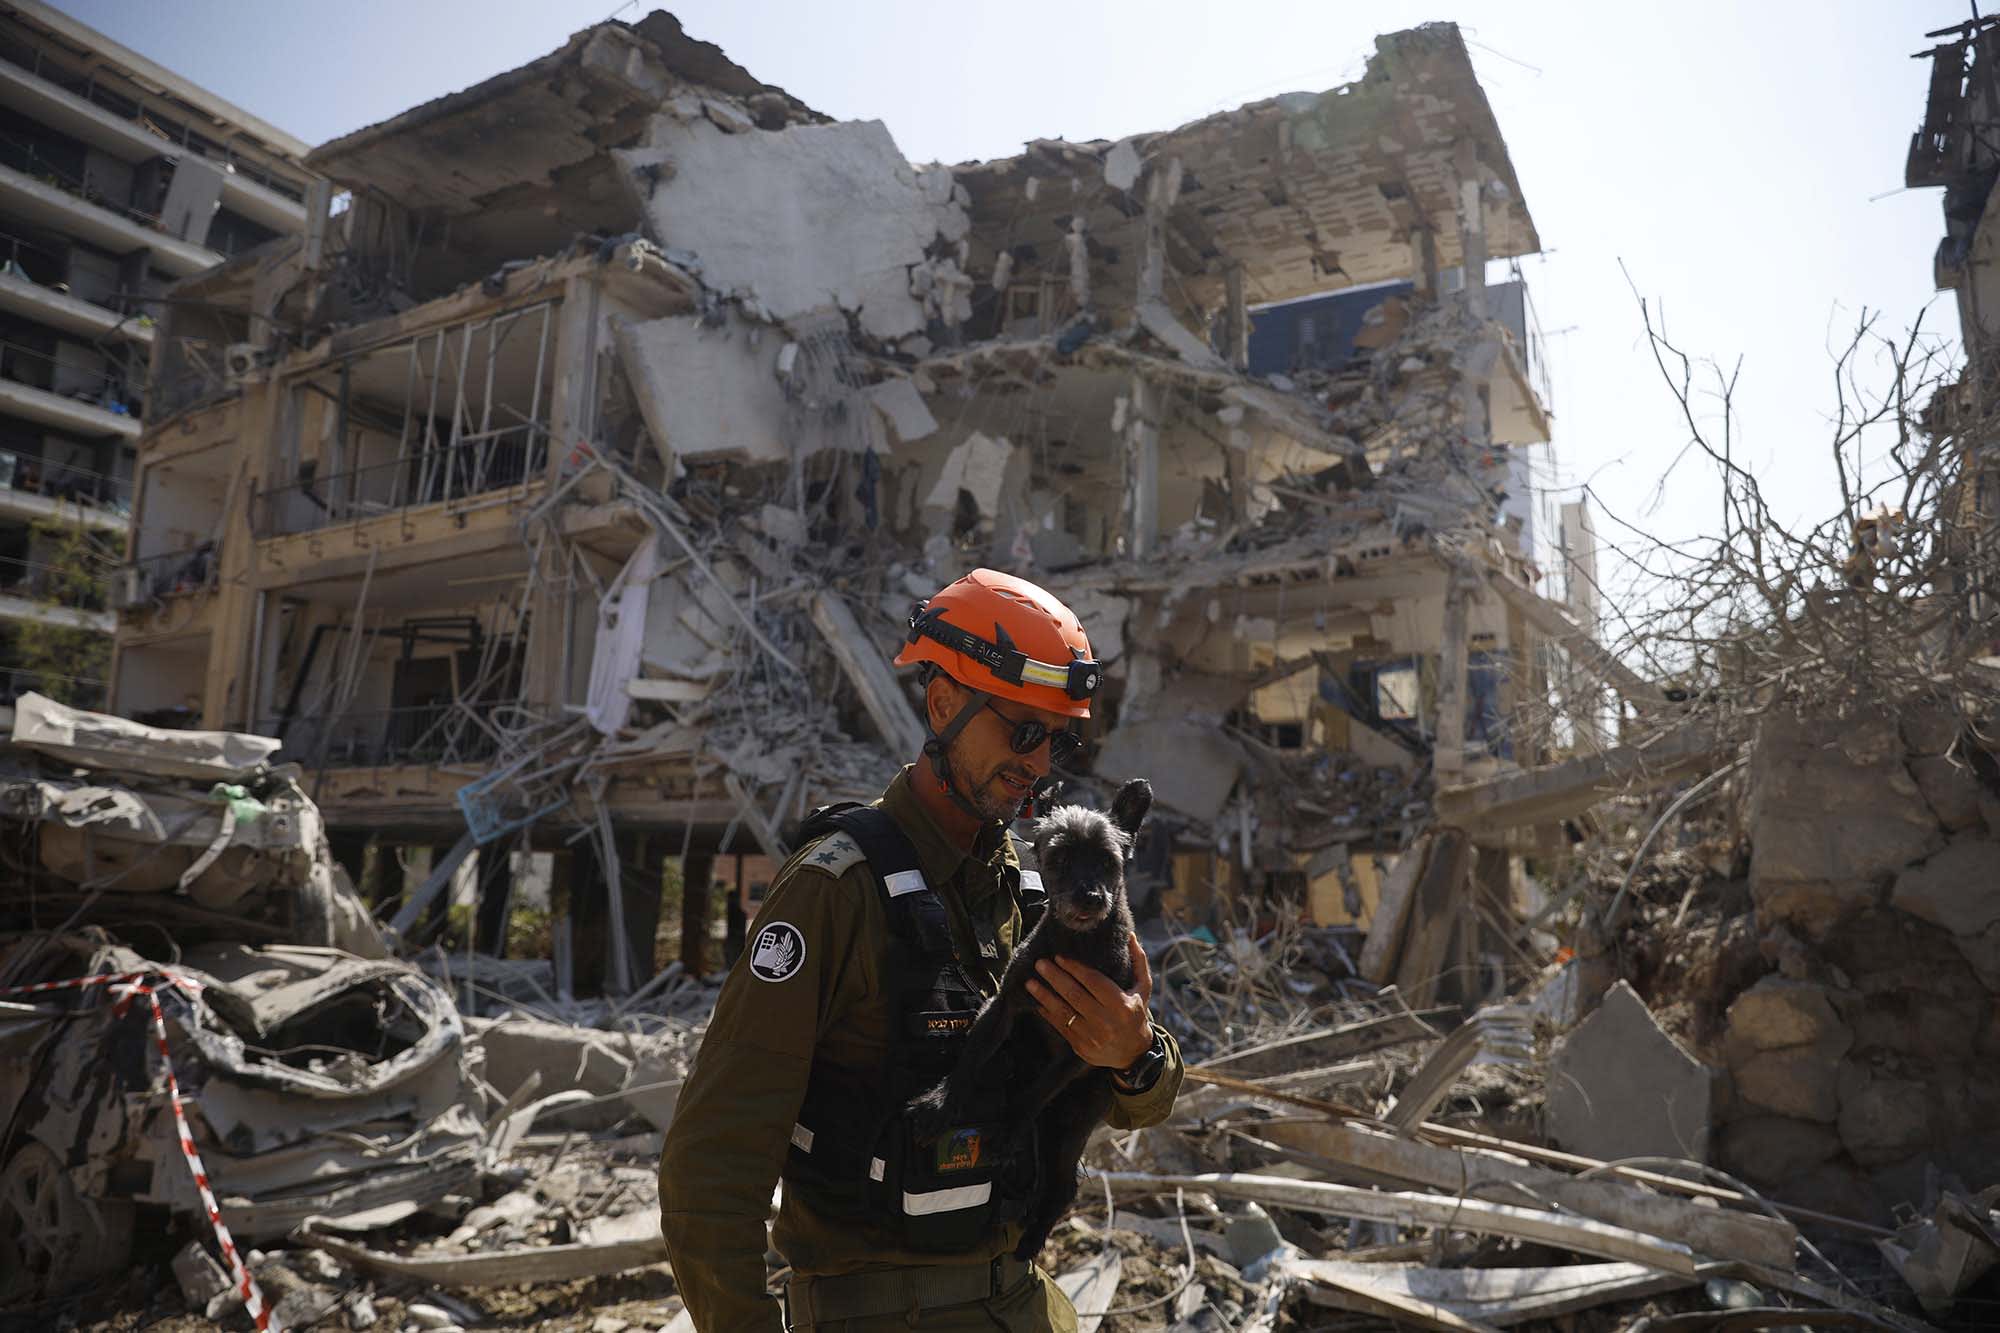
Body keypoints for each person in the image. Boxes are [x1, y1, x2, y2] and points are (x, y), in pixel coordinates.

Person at [659, 569, 1181, 1333]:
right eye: (1022, 731)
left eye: (1058, 741)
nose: (1039, 764)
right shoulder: (835, 892)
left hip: (1021, 1305)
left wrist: (1134, 1054)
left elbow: (1145, 1096)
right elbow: (711, 1168)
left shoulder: (1040, 891)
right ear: (942, 705)